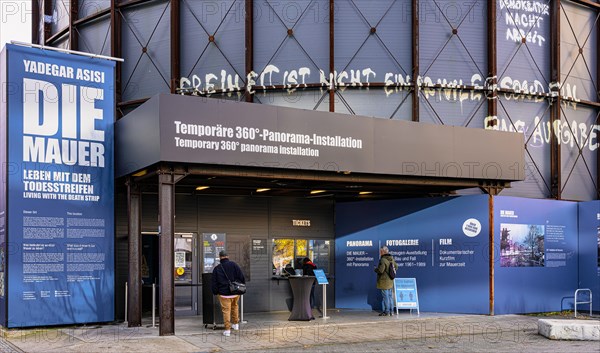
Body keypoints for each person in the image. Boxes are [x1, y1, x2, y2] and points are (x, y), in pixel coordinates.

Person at [212, 250, 246, 336]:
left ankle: (227, 330)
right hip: (235, 292)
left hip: (224, 294)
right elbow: (241, 277)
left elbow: (214, 282)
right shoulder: (234, 265)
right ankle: (236, 324)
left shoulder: (217, 268)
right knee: (235, 307)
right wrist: (239, 286)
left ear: (220, 257)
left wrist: (215, 292)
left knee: (226, 311)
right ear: (227, 256)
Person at [374, 246, 397, 316]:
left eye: (380, 251)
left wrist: (375, 269)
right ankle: (391, 311)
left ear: (382, 252)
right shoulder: (391, 259)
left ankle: (386, 311)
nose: (380, 253)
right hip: (390, 281)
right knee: (390, 296)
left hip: (384, 282)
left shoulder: (383, 260)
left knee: (385, 297)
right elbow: (396, 267)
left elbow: (381, 270)